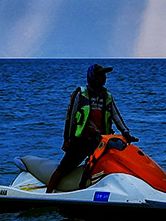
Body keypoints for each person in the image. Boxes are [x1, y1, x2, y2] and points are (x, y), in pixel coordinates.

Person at [46, 63, 136, 193]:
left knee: (104, 167)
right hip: (81, 141)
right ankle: (48, 194)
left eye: (104, 76)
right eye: (101, 76)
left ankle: (91, 191)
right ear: (92, 77)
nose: (104, 78)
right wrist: (67, 140)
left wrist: (126, 133)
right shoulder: (81, 94)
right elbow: (70, 118)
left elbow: (116, 115)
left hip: (100, 142)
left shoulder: (107, 95)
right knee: (63, 169)